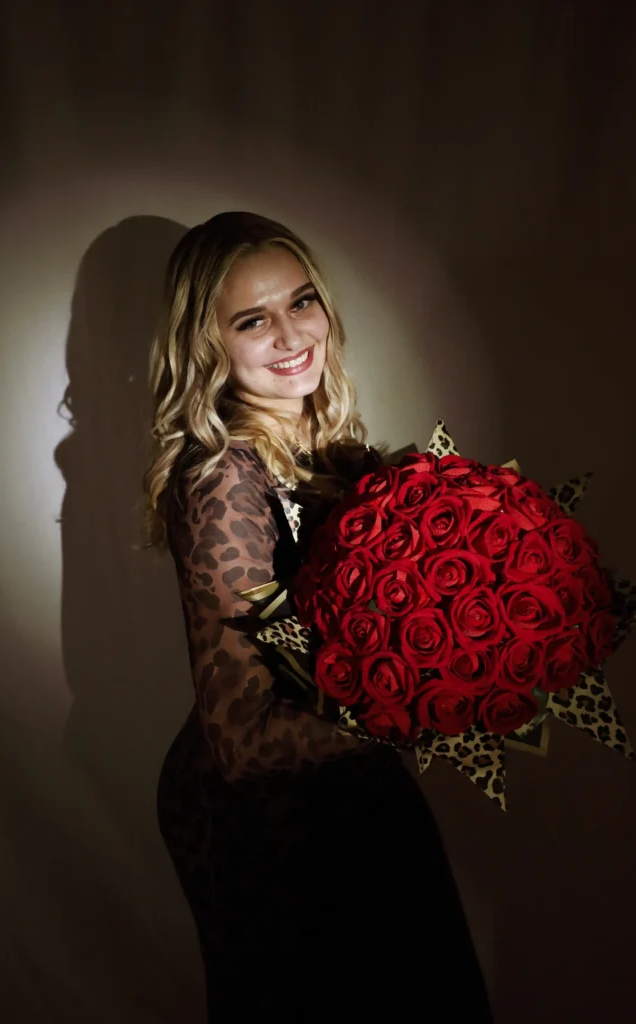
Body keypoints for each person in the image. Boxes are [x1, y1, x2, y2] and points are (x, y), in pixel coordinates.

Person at [144, 211, 492, 1022]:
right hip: (264, 822)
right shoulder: (221, 480)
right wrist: (423, 708)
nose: (290, 334)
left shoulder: (325, 444)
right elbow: (241, 740)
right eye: (251, 320)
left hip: (346, 774)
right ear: (208, 345)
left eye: (301, 302)